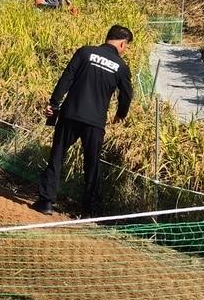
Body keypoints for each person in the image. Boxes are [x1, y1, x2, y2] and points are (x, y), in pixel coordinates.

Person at [35, 25, 134, 216]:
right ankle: (88, 211)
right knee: (92, 165)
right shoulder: (121, 67)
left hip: (70, 114)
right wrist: (121, 114)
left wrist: (54, 104)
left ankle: (46, 202)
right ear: (122, 43)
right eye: (126, 46)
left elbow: (66, 78)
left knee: (57, 156)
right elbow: (127, 95)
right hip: (95, 122)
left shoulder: (85, 52)